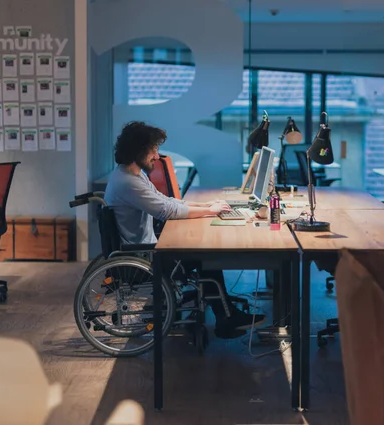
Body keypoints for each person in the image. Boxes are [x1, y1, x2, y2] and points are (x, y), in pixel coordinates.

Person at [104, 121, 265, 338]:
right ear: (139, 150)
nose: (156, 156)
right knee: (206, 255)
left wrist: (207, 206)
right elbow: (167, 211)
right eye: (153, 150)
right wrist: (210, 211)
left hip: (147, 247)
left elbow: (165, 200)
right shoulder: (128, 182)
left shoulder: (131, 174)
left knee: (203, 251)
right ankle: (226, 318)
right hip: (145, 256)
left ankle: (226, 315)